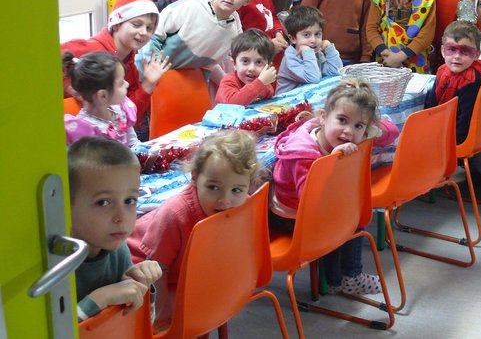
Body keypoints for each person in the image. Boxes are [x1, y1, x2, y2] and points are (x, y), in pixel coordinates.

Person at [271, 79, 399, 295]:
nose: (348, 132)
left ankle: (336, 280)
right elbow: (311, 201)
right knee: (350, 215)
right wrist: (331, 164)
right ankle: (350, 277)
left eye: (357, 126)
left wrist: (368, 128)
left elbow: (392, 131)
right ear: (322, 117)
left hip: (315, 206)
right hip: (291, 215)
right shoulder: (303, 154)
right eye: (342, 120)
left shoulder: (342, 136)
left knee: (350, 210)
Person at [128, 130, 258, 328]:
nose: (225, 200)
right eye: (214, 187)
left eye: (237, 190)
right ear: (195, 178)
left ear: (248, 186)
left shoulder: (243, 205)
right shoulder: (174, 214)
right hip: (143, 274)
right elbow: (157, 272)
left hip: (184, 274)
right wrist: (161, 320)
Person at [70, 137, 162, 321]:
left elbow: (138, 325)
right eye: (103, 202)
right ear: (66, 206)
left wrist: (140, 284)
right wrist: (99, 299)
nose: (121, 217)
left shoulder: (118, 249)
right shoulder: (56, 265)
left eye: (130, 200)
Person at [425, 21, 481, 197]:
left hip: (472, 136)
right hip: (453, 131)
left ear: (477, 54)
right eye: (452, 50)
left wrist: (444, 147)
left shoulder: (471, 81)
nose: (457, 57)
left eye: (465, 51)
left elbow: (465, 122)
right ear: (443, 51)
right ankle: (475, 172)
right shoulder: (443, 71)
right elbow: (433, 102)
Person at [140, 0, 260, 85]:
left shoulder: (232, 32)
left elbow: (209, 66)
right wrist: (153, 70)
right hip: (147, 76)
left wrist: (229, 85)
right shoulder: (190, 7)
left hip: (183, 87)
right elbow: (152, 34)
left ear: (248, 0)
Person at [61, 0, 171, 129]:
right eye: (136, 24)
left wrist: (148, 84)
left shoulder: (130, 66)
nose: (144, 32)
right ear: (117, 24)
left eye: (149, 28)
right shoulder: (89, 51)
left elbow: (128, 120)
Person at [63, 51, 140, 147]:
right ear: (103, 95)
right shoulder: (85, 131)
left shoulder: (119, 110)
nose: (127, 84)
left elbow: (133, 143)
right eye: (121, 83)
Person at [276, 6, 343, 95]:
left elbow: (336, 72)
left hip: (307, 98)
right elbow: (313, 78)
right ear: (293, 38)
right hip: (285, 104)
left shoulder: (316, 53)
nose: (313, 40)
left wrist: (329, 48)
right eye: (306, 35)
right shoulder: (291, 58)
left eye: (317, 34)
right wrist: (308, 53)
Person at [215, 28, 277, 105]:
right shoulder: (228, 81)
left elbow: (269, 96)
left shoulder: (261, 80)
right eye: (245, 61)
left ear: (268, 67)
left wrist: (263, 83)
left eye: (258, 62)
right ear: (234, 63)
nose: (251, 68)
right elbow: (233, 104)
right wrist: (260, 83)